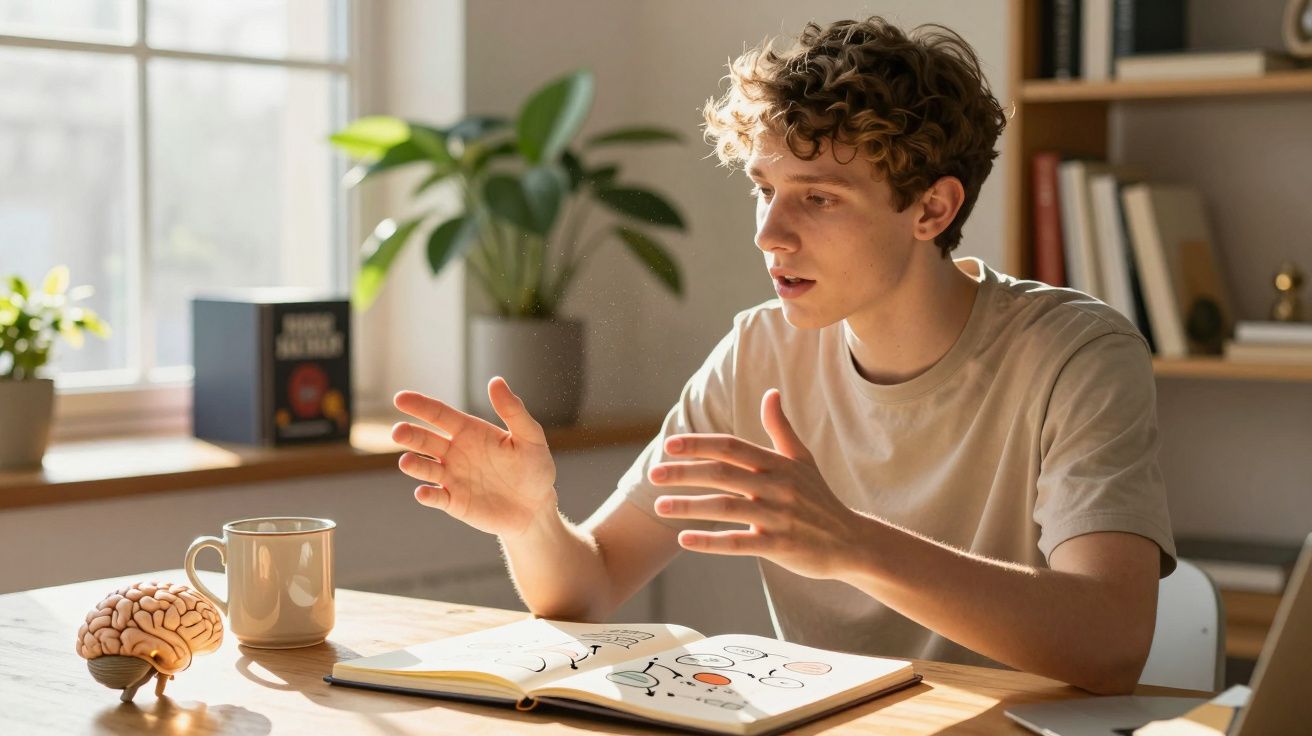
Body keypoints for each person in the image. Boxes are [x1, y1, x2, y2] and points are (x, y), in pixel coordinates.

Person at [390, 16, 1175, 695]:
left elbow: (1110, 644)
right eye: (765, 188)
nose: (770, 233)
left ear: (932, 208)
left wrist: (852, 542)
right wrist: (533, 521)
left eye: (819, 197)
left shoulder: (1076, 354)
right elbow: (588, 588)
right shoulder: (759, 351)